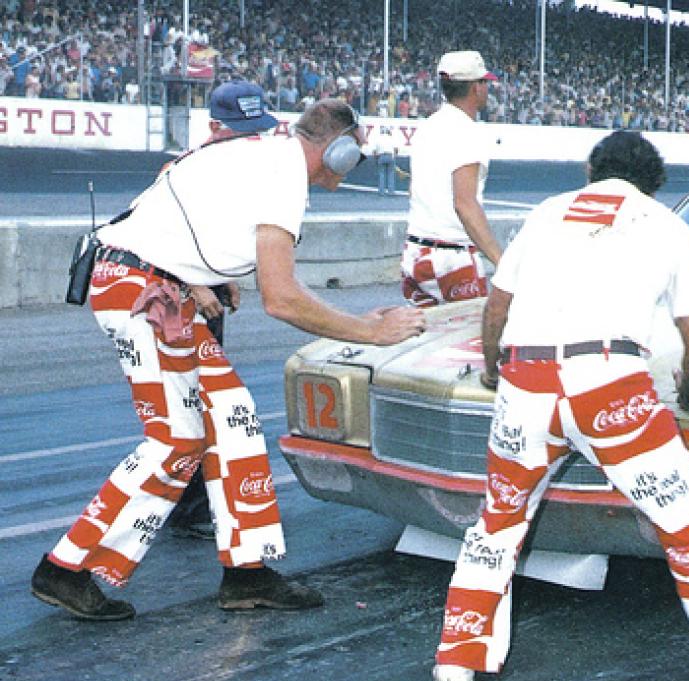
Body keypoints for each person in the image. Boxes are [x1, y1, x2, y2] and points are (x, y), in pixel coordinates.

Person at [431, 131, 689, 681]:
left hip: (525, 382)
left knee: (498, 522)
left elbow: (497, 310)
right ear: (653, 184)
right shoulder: (667, 225)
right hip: (610, 385)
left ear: (591, 171)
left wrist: (492, 371)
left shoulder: (546, 212)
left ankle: (457, 662)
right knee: (687, 522)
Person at [30, 99, 427, 621]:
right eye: (356, 152)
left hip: (154, 285)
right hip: (145, 293)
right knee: (177, 439)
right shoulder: (285, 175)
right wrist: (370, 331)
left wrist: (202, 273)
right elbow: (282, 299)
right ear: (339, 151)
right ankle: (67, 568)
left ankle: (247, 572)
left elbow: (170, 196)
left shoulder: (256, 153)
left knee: (234, 419)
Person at [166, 79, 278, 541]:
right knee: (193, 405)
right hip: (172, 295)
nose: (250, 140)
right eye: (240, 131)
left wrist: (222, 276)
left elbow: (209, 232)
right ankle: (186, 507)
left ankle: (191, 502)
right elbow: (164, 233)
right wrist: (196, 283)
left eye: (255, 130)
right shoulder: (186, 168)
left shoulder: (232, 167)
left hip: (204, 289)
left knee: (204, 403)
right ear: (215, 127)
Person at [401, 50, 502, 308]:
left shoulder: (428, 127)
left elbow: (414, 190)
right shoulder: (468, 132)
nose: (487, 89)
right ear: (476, 87)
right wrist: (501, 261)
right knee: (474, 330)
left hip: (415, 252)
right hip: (451, 257)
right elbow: (465, 204)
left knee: (427, 331)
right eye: (485, 82)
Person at [370, 124, 399, 196]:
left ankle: (381, 192)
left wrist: (376, 158)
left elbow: (374, 151)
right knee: (391, 174)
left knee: (381, 174)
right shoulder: (391, 138)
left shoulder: (378, 139)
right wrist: (394, 156)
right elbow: (396, 149)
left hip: (381, 156)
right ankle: (391, 191)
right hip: (390, 156)